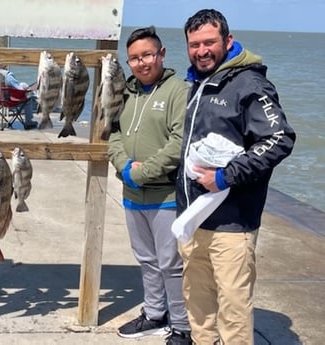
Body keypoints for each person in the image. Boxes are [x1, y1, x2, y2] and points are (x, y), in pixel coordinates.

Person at [176, 9, 296, 345]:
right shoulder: (199, 83)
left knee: (233, 310)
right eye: (194, 44)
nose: (202, 51)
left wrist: (227, 176)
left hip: (232, 225)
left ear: (227, 41)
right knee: (198, 306)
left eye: (209, 42)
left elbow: (279, 139)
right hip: (193, 218)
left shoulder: (250, 84)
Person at [108, 26, 192, 345]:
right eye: (134, 58)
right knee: (146, 259)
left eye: (147, 55)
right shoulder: (125, 93)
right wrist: (124, 167)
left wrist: (144, 173)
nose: (142, 63)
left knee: (171, 263)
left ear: (161, 54)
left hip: (167, 195)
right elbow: (113, 132)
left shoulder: (177, 90)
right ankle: (155, 314)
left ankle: (182, 326)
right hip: (132, 195)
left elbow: (179, 141)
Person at [0, 64, 39, 129]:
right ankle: (29, 121)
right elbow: (19, 89)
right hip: (8, 101)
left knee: (23, 86)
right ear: (5, 65)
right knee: (28, 97)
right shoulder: (7, 75)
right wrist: (27, 89)